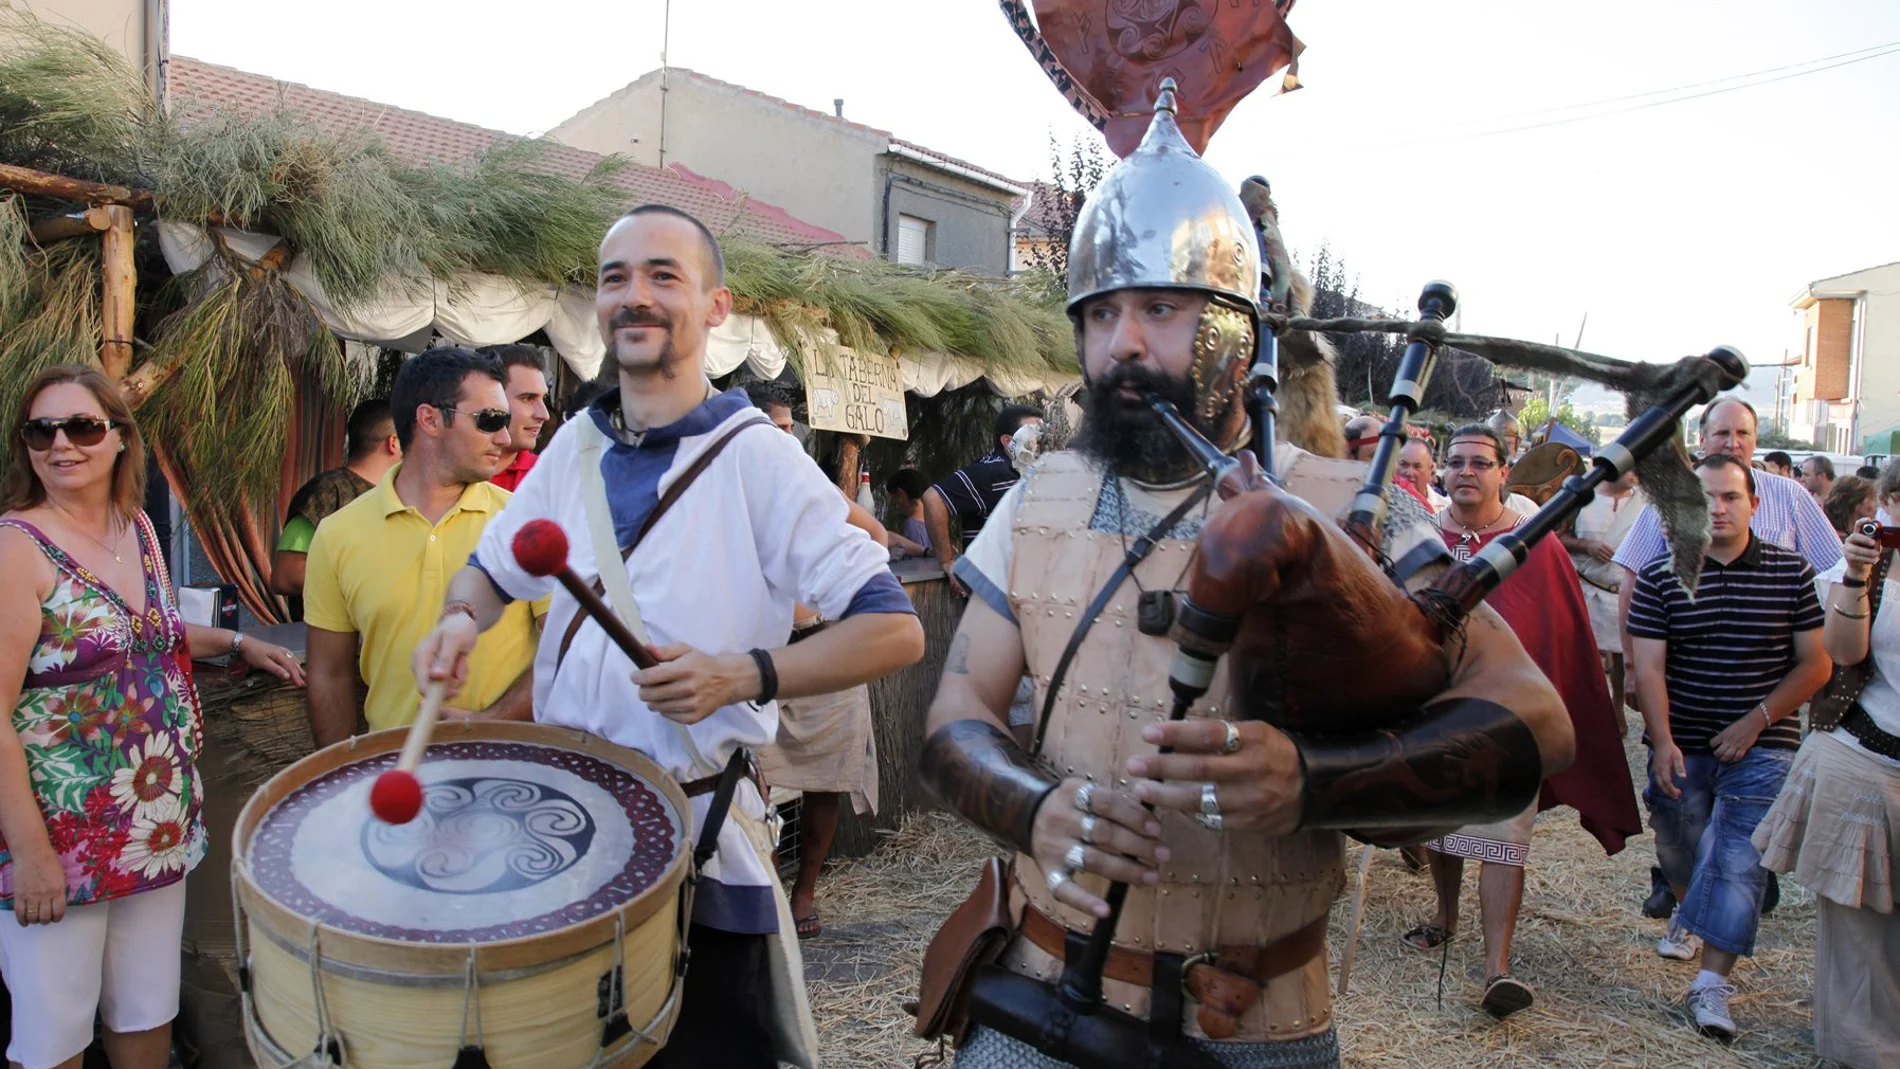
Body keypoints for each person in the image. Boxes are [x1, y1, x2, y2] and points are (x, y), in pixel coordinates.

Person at [919, 96, 1574, 1069]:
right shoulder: (1037, 497)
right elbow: (958, 709)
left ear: (1234, 329)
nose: (1124, 344)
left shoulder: (1351, 508)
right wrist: (1034, 808)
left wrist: (1312, 781)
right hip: (1043, 996)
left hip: (1251, 1024)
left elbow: (1535, 720)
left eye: (1161, 309)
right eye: (1101, 314)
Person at [410, 204, 925, 1068]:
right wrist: (461, 617)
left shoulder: (758, 457)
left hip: (695, 841)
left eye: (662, 276)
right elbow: (493, 570)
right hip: (563, 834)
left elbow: (894, 629)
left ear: (716, 307)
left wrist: (743, 673)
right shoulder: (574, 445)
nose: (633, 296)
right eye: (615, 279)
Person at [0, 365, 301, 1069]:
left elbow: (145, 632)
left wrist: (235, 640)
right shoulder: (16, 548)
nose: (61, 445)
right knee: (52, 1043)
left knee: (146, 1016)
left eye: (81, 426)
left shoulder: (135, 526)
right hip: (60, 836)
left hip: (155, 825)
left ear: (120, 440)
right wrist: (34, 854)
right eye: (41, 431)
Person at [1402, 425, 1639, 1018]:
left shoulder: (1534, 543)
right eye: (1455, 462)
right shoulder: (1419, 541)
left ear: (1504, 472)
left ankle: (1496, 969)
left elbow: (1562, 636)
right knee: (1443, 830)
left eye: (1480, 463)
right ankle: (1444, 916)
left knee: (1505, 841)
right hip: (1437, 718)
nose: (1465, 472)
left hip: (1511, 725)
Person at [1626, 455, 1832, 1041]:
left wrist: (1756, 722)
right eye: (1703, 499)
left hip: (1765, 745)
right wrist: (1663, 741)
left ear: (1754, 506)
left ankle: (1712, 983)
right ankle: (1693, 914)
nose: (1716, 509)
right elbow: (1648, 668)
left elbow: (1815, 664)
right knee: (1679, 845)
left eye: (1729, 497)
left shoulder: (1790, 574)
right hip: (1682, 742)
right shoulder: (1663, 575)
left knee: (1740, 859)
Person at [302, 348, 542, 749]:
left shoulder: (524, 523)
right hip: (397, 779)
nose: (504, 437)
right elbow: (329, 674)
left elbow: (568, 651)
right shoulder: (336, 534)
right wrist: (340, 772)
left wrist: (491, 722)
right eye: (490, 420)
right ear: (430, 419)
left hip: (515, 775)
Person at [1754, 460, 1900, 1068]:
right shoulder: (1865, 568)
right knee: (1860, 937)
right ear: (1888, 503)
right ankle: (1867, 1056)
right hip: (1866, 762)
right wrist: (1858, 575)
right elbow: (1844, 652)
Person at [740, 380, 889, 941]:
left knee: (828, 778)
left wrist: (851, 605)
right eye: (769, 429)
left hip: (827, 655)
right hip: (758, 664)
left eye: (787, 430)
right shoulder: (724, 496)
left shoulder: (816, 492)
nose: (781, 440)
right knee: (752, 779)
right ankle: (764, 887)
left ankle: (804, 891)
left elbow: (874, 536)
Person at [268, 398, 400, 607]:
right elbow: (287, 575)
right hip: (326, 635)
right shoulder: (326, 492)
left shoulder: (396, 495)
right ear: (394, 442)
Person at [924, 404, 1044, 592]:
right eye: (1034, 433)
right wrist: (947, 561)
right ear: (1007, 440)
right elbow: (934, 498)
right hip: (992, 594)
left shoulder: (1023, 473)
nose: (1040, 441)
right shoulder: (994, 470)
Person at [1560, 468, 1646, 722]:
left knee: (1622, 656)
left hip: (1626, 590)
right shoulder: (1581, 499)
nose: (1635, 474)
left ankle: (1617, 706)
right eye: (1629, 468)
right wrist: (1586, 546)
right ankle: (1583, 707)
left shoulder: (1646, 501)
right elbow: (1557, 536)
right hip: (1587, 587)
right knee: (1584, 654)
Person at [480, 344, 551, 493]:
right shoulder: (442, 472)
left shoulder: (550, 481)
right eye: (528, 398)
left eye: (543, 398)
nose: (544, 415)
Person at [884, 468, 932, 558]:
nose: (894, 503)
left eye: (893, 498)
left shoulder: (911, 526)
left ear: (900, 494)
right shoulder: (934, 524)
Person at [1395, 436, 1446, 511]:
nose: (1409, 472)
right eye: (1403, 464)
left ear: (1430, 468)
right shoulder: (1380, 501)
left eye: (1417, 466)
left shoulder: (1444, 510)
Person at [1823, 474, 1877, 538]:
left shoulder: (1829, 532)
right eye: (1872, 498)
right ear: (1856, 503)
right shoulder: (1839, 540)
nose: (1876, 505)